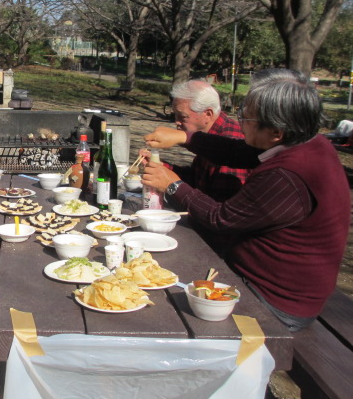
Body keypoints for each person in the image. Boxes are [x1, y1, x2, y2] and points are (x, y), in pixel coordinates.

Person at [142, 69, 350, 331]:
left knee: (160, 298)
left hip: (273, 299)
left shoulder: (286, 176)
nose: (240, 122)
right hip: (256, 277)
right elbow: (238, 152)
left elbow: (221, 219)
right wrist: (186, 137)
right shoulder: (306, 142)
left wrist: (172, 185)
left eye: (246, 117)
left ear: (276, 131)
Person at [143, 80, 249, 203]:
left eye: (182, 116)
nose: (177, 122)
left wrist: (173, 186)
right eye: (175, 115)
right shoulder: (209, 135)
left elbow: (218, 207)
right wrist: (161, 167)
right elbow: (197, 181)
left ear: (207, 114)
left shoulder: (229, 142)